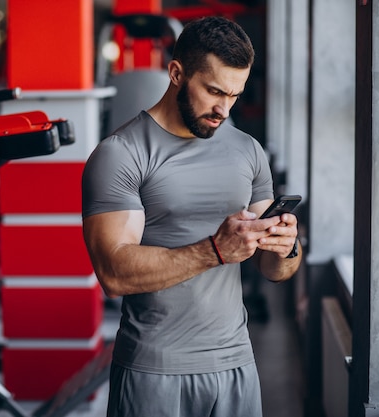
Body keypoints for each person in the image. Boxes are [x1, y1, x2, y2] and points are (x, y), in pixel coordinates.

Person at [81, 16, 302, 417]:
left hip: (237, 365)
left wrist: (286, 247)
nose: (224, 109)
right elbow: (114, 274)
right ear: (177, 73)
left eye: (234, 95)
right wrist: (215, 250)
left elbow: (276, 270)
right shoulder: (121, 154)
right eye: (214, 91)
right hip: (154, 369)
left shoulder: (248, 151)